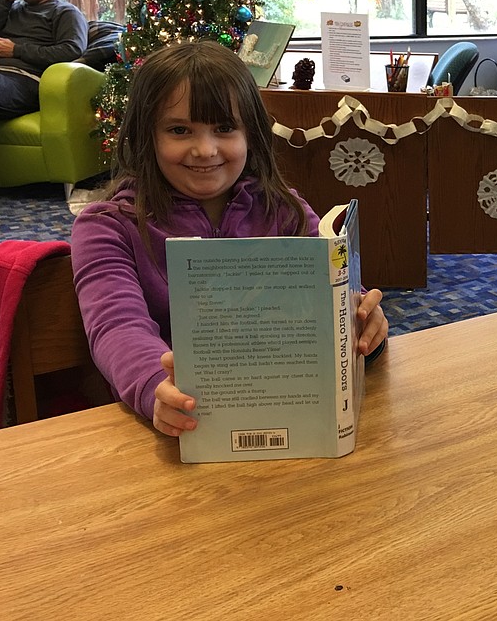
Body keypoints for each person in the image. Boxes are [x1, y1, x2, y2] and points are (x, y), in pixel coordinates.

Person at [71, 41, 389, 438]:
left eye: (224, 128)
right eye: (179, 130)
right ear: (146, 135)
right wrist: (156, 384)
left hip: (287, 411)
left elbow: (338, 306)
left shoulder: (284, 209)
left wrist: (364, 325)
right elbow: (116, 327)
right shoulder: (108, 226)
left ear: (251, 134)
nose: (204, 150)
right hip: (180, 423)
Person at [0, 0, 88, 120]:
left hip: (24, 79)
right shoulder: (9, 8)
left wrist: (16, 50)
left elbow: (72, 50)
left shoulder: (65, 12)